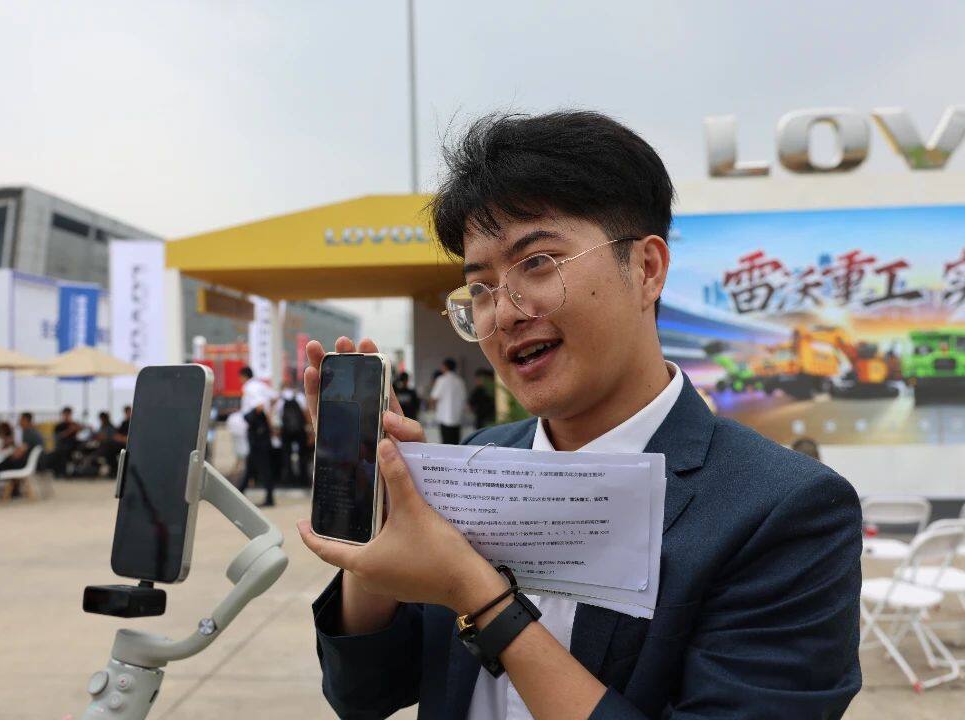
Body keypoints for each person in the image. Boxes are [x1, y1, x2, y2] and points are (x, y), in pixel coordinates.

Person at [298, 111, 862, 719]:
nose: (504, 313)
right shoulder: (479, 462)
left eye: (537, 262)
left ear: (646, 269)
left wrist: (480, 596)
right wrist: (378, 533)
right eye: (480, 288)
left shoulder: (785, 510)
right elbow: (362, 694)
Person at [0, 412, 44, 496]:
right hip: (33, 463)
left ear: (25, 420)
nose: (19, 422)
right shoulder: (34, 432)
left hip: (26, 464)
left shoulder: (29, 433)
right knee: (1, 464)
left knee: (0, 466)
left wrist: (12, 453)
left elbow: (19, 452)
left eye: (20, 419)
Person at [240, 366, 276, 506]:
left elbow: (259, 405)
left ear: (243, 376)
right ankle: (240, 492)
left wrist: (255, 417)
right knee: (253, 463)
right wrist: (269, 418)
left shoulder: (250, 387)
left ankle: (268, 498)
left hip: (257, 430)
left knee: (262, 464)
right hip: (262, 430)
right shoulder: (261, 385)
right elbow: (274, 397)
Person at [276, 385, 310, 486]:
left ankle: (288, 479)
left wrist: (277, 430)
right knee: (302, 454)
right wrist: (309, 429)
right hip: (300, 429)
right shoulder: (300, 396)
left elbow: (278, 414)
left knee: (286, 455)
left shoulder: (281, 398)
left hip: (286, 430)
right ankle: (303, 479)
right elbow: (305, 412)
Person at [429, 357, 468, 444]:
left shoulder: (441, 380)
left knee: (446, 444)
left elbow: (433, 398)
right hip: (457, 418)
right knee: (456, 444)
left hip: (444, 418)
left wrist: (432, 407)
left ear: (445, 367)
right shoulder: (460, 381)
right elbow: (464, 399)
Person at [47, 406, 82, 478]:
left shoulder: (74, 424)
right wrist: (70, 430)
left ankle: (78, 471)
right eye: (66, 414)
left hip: (73, 446)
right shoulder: (59, 426)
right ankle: (61, 472)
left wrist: (78, 428)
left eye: (68, 414)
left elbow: (79, 434)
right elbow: (58, 436)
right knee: (60, 452)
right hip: (62, 446)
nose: (67, 416)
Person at [104, 405, 131, 478]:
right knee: (108, 449)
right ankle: (114, 470)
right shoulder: (124, 423)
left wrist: (125, 438)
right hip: (122, 443)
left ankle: (116, 470)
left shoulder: (134, 422)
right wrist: (121, 438)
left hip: (129, 444)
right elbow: (117, 435)